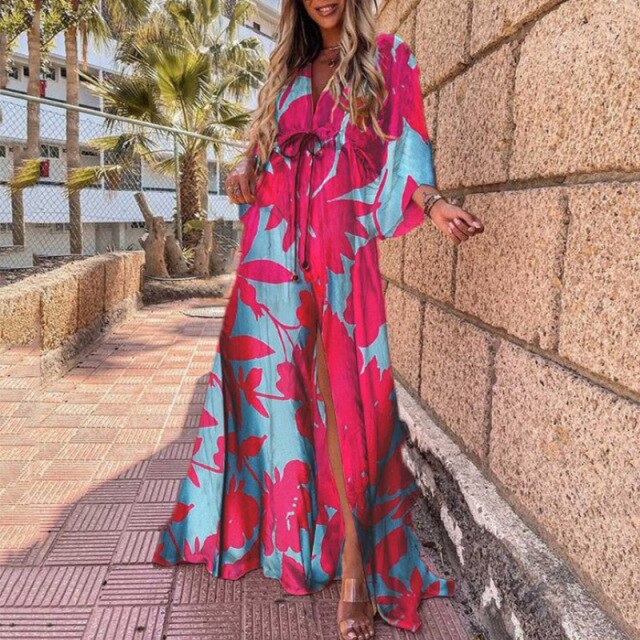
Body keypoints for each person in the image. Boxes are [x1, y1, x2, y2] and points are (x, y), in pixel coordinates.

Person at [153, 0, 484, 638]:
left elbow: (403, 147)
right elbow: (258, 152)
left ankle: (357, 569)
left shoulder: (388, 59)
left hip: (342, 248)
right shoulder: (288, 68)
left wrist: (431, 202)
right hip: (274, 245)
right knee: (271, 392)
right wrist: (243, 170)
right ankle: (285, 532)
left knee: (347, 398)